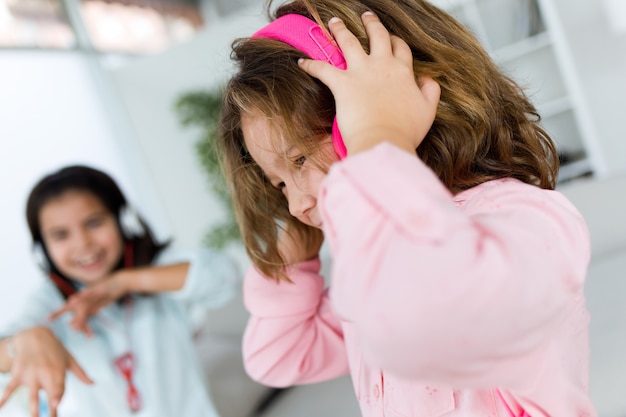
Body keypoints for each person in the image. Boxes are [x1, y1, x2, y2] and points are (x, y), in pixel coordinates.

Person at [216, 0, 596, 416]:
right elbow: (279, 356)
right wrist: (292, 265)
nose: (295, 203)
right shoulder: (376, 255)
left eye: (300, 160)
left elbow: (420, 317)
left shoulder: (526, 217)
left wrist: (378, 140)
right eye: (279, 184)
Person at [0, 165, 239, 417]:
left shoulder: (156, 270)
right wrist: (25, 342)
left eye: (94, 223)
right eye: (60, 235)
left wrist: (124, 282)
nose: (83, 243)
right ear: (44, 248)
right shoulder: (49, 300)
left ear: (121, 220)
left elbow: (224, 276)